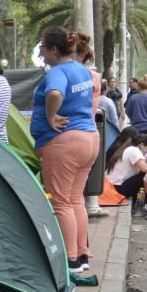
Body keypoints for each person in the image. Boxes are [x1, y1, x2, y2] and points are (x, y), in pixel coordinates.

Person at [30, 26, 100, 273]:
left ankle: (69, 260)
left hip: (64, 143)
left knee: (61, 202)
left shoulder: (57, 72)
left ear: (52, 49)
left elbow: (55, 93)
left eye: (42, 47)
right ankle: (82, 255)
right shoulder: (81, 70)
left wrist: (50, 117)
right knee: (75, 200)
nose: (41, 52)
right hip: (88, 138)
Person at [106, 133, 147, 199]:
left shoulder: (128, 148)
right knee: (146, 176)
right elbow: (144, 169)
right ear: (141, 145)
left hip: (112, 186)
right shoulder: (134, 150)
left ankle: (139, 200)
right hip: (116, 188)